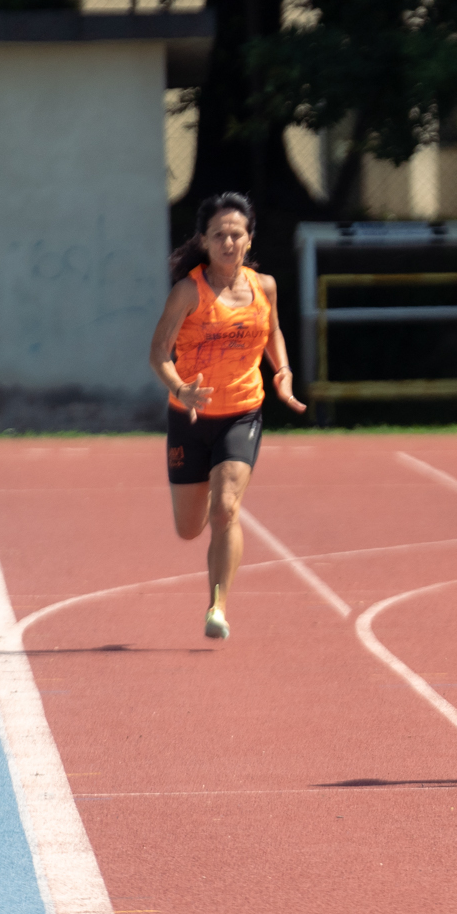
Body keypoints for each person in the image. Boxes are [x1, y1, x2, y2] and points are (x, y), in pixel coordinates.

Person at [148, 192, 308, 640]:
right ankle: (205, 504)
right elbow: (158, 352)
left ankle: (217, 606)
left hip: (242, 412)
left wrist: (282, 372)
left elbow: (272, 331)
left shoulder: (264, 287)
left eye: (237, 234)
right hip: (190, 417)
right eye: (219, 235)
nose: (228, 242)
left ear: (249, 239)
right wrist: (181, 388)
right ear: (204, 240)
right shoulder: (188, 292)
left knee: (225, 509)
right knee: (189, 528)